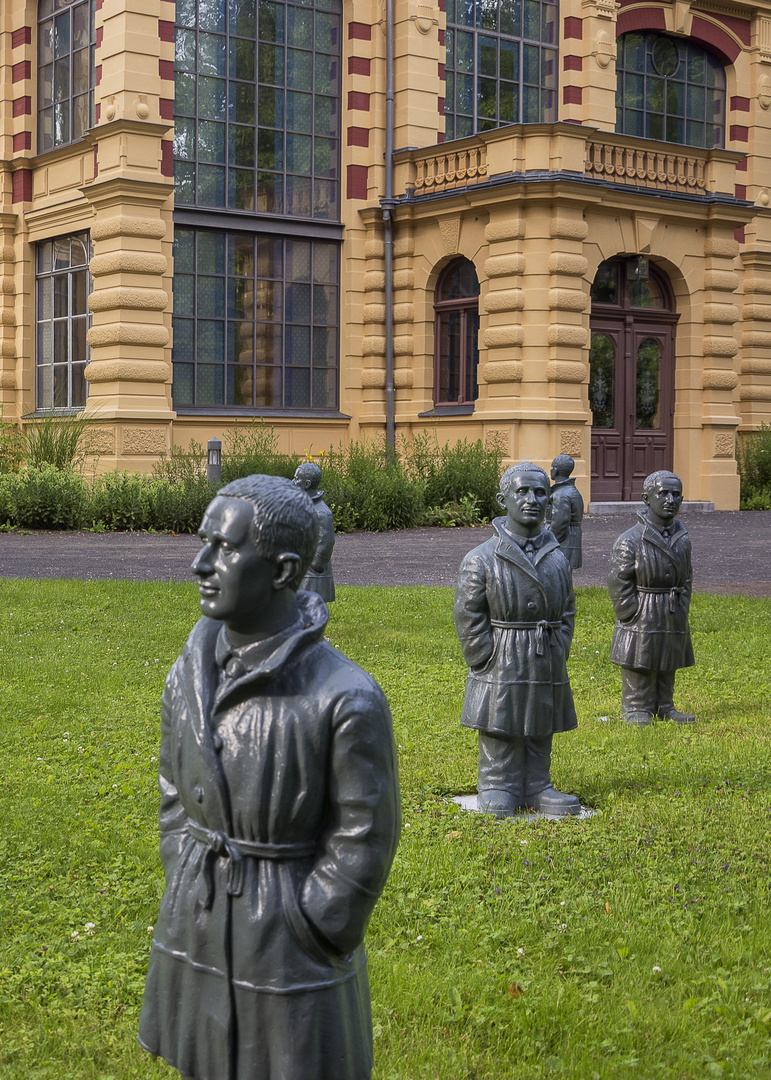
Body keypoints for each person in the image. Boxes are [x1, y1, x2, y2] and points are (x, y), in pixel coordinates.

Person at [138, 475, 401, 1080]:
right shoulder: (190, 673)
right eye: (203, 542)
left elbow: (364, 835)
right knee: (203, 1058)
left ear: (282, 570)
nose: (201, 565)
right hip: (198, 910)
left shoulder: (344, 697)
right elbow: (173, 784)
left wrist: (312, 923)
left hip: (286, 934)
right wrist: (183, 856)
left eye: (225, 548)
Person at [454, 462, 580, 818]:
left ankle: (538, 783)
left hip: (545, 651)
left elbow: (568, 607)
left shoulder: (556, 557)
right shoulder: (481, 558)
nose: (531, 500)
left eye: (540, 492)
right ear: (503, 499)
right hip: (502, 654)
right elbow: (468, 613)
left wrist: (561, 644)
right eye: (521, 492)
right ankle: (497, 782)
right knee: (502, 719)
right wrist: (484, 656)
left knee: (541, 718)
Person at [607, 470, 695, 725]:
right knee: (640, 659)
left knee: (668, 657)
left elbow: (687, 575)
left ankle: (665, 705)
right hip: (643, 608)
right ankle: (636, 706)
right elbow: (619, 580)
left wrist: (683, 603)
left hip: (672, 608)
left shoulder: (683, 538)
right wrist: (630, 612)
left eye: (676, 494)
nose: (671, 499)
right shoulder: (630, 540)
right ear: (647, 498)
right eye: (663, 493)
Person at [292, 461, 336, 602]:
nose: (293, 482)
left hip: (310, 574)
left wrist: (314, 565)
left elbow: (326, 544)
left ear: (307, 484)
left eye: (296, 479)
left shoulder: (321, 513)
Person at [545, 454, 583, 571]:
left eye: (552, 467)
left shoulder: (560, 494)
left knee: (558, 569)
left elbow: (559, 524)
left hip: (563, 539)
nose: (550, 470)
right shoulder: (571, 490)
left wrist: (547, 540)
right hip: (572, 535)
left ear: (555, 471)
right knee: (565, 570)